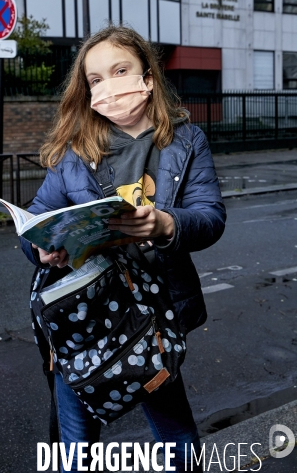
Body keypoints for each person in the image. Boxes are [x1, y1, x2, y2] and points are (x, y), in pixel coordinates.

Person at [21, 25, 226, 472]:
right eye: (96, 79)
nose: (109, 86)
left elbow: (211, 216)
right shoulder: (75, 149)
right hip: (83, 316)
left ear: (148, 77)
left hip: (154, 317)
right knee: (77, 449)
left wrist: (166, 223)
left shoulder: (187, 141)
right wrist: (40, 246)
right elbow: (36, 217)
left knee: (176, 437)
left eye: (120, 70)